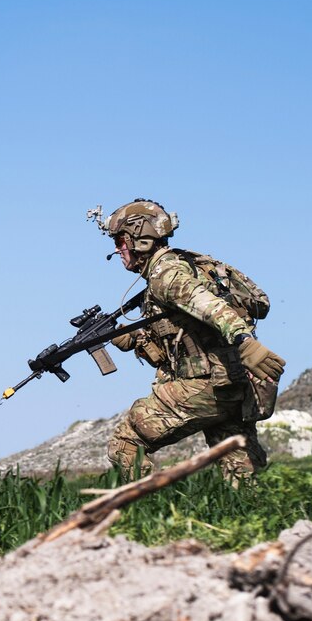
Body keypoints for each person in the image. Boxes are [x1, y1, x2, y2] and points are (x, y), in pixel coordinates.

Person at [101, 198, 286, 478]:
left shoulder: (167, 274)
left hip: (207, 385)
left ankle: (150, 511)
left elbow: (210, 307)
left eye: (119, 241)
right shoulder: (186, 264)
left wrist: (244, 340)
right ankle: (256, 514)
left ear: (139, 239)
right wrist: (137, 340)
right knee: (240, 470)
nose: (117, 250)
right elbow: (183, 344)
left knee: (125, 442)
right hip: (232, 383)